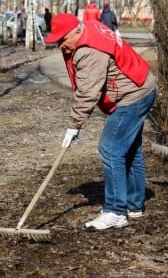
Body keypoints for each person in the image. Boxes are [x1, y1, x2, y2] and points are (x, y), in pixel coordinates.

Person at [44, 14, 156, 230]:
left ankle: (115, 211)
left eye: (63, 39)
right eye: (56, 40)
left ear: (77, 31)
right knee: (130, 149)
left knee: (111, 148)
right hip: (142, 85)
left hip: (133, 95)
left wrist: (74, 125)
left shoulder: (89, 51)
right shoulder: (90, 27)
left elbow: (88, 93)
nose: (60, 45)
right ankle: (134, 205)